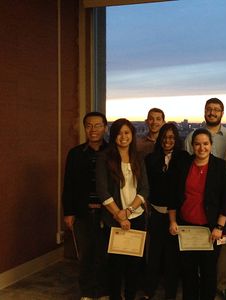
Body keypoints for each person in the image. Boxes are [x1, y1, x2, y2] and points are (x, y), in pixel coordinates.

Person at [184, 97, 226, 298]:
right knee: (190, 268)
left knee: (215, 264)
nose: (212, 112)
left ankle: (220, 289)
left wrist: (219, 224)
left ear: (222, 113)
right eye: (209, 109)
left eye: (216, 109)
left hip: (215, 216)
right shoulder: (190, 138)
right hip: (190, 220)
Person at [169, 128, 226, 300]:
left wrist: (219, 226)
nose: (201, 148)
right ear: (192, 146)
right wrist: (172, 221)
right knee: (188, 272)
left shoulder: (221, 167)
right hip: (186, 228)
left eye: (205, 144)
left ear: (211, 145)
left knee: (209, 272)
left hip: (211, 230)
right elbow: (174, 196)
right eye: (197, 144)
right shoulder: (184, 165)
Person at [96, 118, 149, 300]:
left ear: (132, 135)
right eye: (119, 133)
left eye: (127, 133)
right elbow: (102, 191)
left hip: (137, 217)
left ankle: (130, 296)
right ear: (113, 135)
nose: (123, 136)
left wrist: (128, 212)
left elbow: (145, 189)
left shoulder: (137, 157)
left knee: (134, 264)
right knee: (115, 265)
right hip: (114, 219)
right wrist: (119, 215)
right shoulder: (105, 157)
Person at [62, 111, 109, 300]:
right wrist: (68, 212)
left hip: (108, 213)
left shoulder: (112, 151)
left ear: (105, 127)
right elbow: (69, 185)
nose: (93, 129)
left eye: (97, 125)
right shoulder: (75, 154)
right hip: (83, 212)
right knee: (86, 254)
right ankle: (87, 292)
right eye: (89, 125)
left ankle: (104, 291)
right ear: (84, 128)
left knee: (105, 254)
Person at [141, 123, 189, 300]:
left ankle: (170, 294)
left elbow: (181, 189)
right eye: (164, 137)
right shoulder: (151, 159)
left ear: (176, 139)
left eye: (171, 137)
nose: (167, 141)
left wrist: (173, 216)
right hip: (155, 213)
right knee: (153, 255)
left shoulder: (184, 158)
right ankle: (149, 291)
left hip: (176, 216)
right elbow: (146, 186)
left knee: (172, 258)